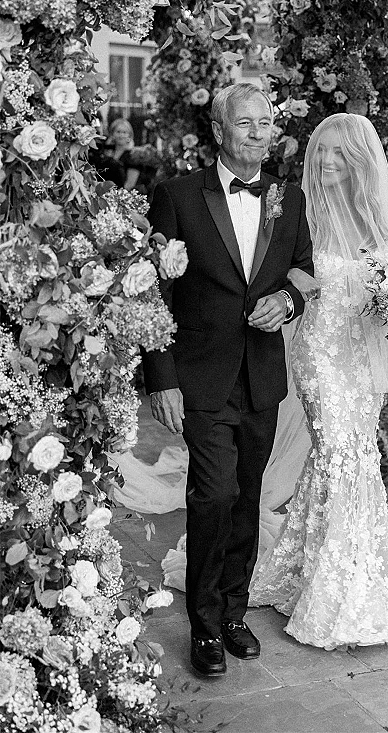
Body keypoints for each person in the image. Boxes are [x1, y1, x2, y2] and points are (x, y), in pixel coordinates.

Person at [141, 83, 316, 678]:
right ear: (220, 131)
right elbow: (151, 292)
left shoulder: (287, 200)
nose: (260, 133)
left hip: (262, 376)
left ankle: (236, 612)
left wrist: (289, 301)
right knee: (212, 493)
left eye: (266, 123)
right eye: (246, 124)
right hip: (200, 376)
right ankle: (205, 623)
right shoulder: (177, 197)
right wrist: (161, 379)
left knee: (247, 494)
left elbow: (306, 269)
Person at [250, 113, 388, 649]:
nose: (324, 162)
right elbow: (289, 275)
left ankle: (317, 571)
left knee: (355, 456)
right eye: (319, 151)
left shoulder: (375, 218)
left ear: (357, 163)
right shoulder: (301, 212)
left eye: (336, 155)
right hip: (319, 353)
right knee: (339, 452)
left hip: (360, 357)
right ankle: (337, 586)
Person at [90, 117, 141, 189]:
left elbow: (130, 184)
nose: (121, 135)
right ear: (112, 134)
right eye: (118, 132)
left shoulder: (132, 156)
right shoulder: (105, 152)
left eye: (124, 132)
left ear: (129, 135)